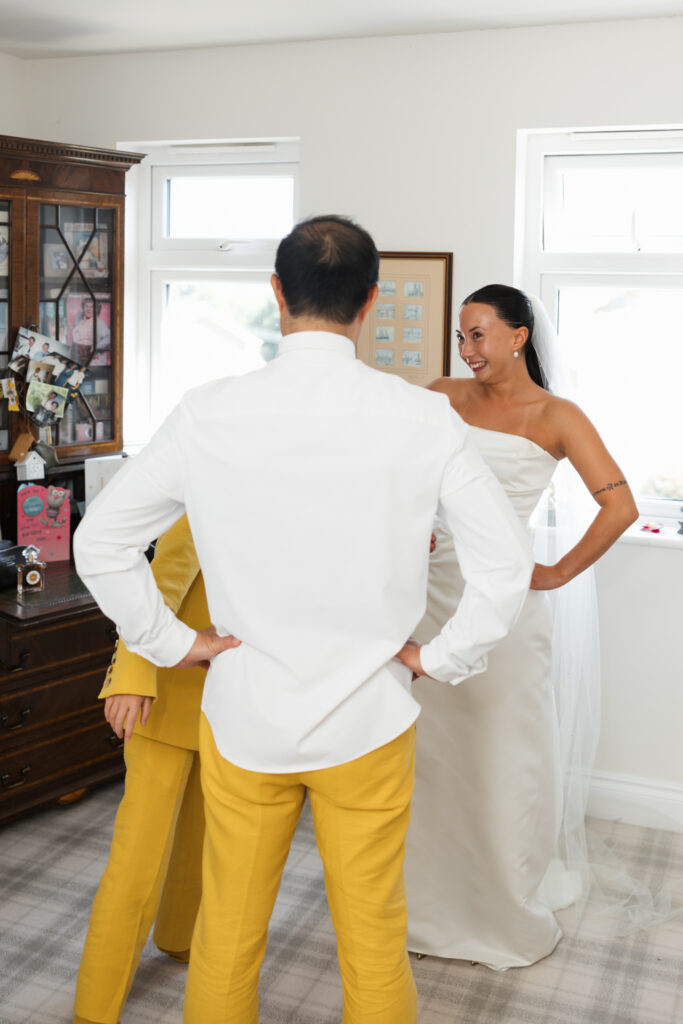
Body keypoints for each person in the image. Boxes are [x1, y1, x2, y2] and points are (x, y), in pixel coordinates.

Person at [74, 216, 534, 1024]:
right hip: (369, 716)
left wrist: (175, 644)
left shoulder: (207, 411)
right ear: (369, 301)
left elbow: (100, 540)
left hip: (244, 715)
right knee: (371, 938)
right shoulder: (422, 418)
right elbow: (504, 567)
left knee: (227, 935)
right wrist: (437, 658)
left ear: (278, 294)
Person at [404, 284, 638, 970]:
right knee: (430, 756)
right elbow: (401, 472)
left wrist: (558, 572)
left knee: (502, 751)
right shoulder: (441, 396)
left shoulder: (556, 415)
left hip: (504, 612)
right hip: (433, 594)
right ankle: (422, 903)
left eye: (478, 335)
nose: (465, 350)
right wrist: (413, 525)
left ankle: (501, 905)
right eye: (460, 337)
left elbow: (618, 507)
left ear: (517, 335)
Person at [74, 515, 208, 1024]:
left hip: (231, 706)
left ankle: (178, 937)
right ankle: (94, 1007)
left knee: (201, 837)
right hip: (165, 700)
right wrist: (132, 675)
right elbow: (155, 588)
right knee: (137, 858)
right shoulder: (202, 497)